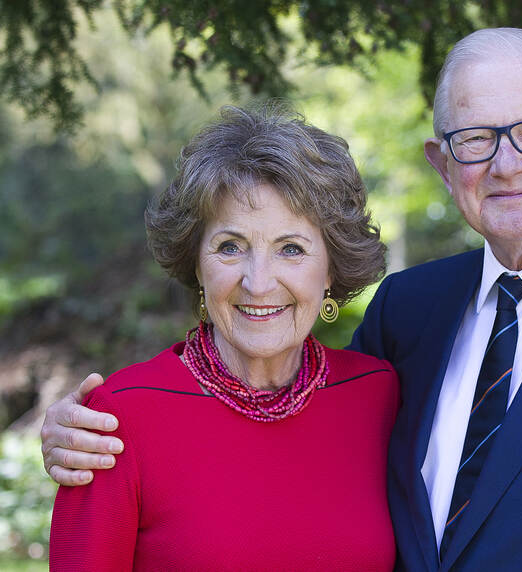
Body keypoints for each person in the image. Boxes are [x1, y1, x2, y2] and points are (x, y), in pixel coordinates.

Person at [42, 28, 522, 571]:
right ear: (442, 163)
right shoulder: (410, 314)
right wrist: (74, 433)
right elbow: (276, 424)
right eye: (476, 139)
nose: (506, 162)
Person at [48, 104, 399, 570]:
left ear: (331, 268)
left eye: (290, 249)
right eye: (230, 247)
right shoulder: (117, 419)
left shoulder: (378, 394)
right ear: (196, 262)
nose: (258, 282)